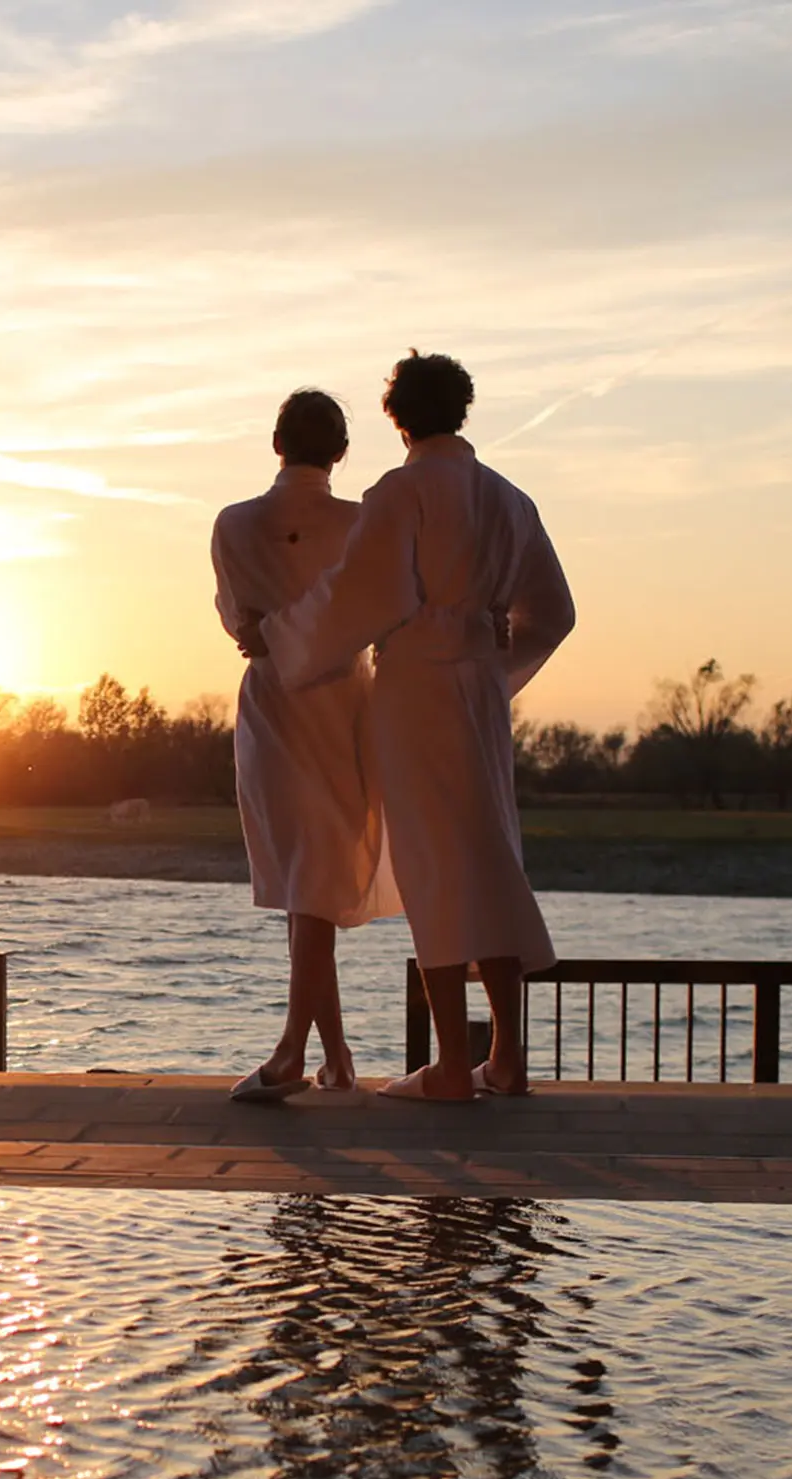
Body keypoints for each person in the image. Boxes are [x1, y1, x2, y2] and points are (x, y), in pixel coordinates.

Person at [260, 352, 575, 1101]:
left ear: (397, 417)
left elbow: (362, 591)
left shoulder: (400, 492)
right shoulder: (511, 500)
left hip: (415, 688)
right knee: (488, 854)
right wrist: (496, 668)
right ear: (460, 411)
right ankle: (505, 1055)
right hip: (478, 693)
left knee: (432, 861)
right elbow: (555, 613)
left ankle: (449, 1071)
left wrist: (285, 637)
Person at [213, 388, 395, 1100]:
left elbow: (238, 620)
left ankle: (298, 1052)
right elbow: (378, 608)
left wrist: (266, 631)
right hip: (343, 700)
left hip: (273, 701)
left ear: (276, 444)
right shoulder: (360, 524)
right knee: (308, 884)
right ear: (342, 452)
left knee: (306, 882)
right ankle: (335, 1055)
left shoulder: (232, 524)